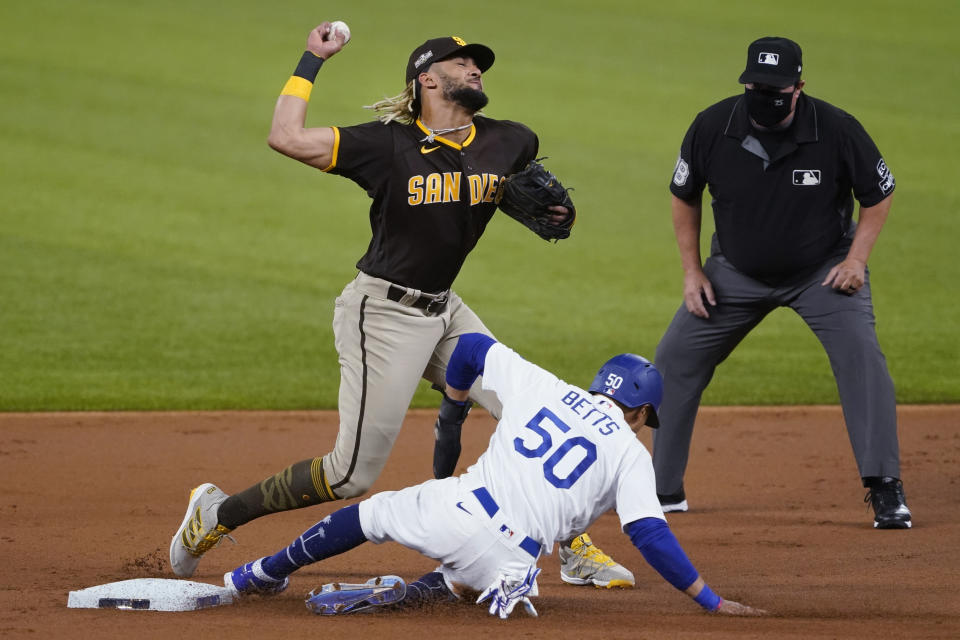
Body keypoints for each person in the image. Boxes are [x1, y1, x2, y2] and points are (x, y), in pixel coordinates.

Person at [169, 22, 631, 587]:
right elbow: (285, 137)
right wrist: (313, 59)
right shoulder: (386, 145)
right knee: (350, 476)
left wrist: (558, 216)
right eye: (460, 64)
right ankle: (216, 513)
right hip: (382, 314)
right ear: (427, 80)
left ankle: (574, 547)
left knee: (536, 416)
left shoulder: (510, 139)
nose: (474, 69)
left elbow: (506, 190)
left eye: (477, 63)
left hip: (447, 311)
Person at [219, 333, 765, 619]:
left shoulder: (545, 386)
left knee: (371, 514)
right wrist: (710, 601)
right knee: (461, 580)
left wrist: (453, 410)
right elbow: (648, 532)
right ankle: (408, 596)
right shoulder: (631, 453)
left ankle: (260, 574)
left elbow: (473, 348)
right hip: (512, 563)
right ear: (641, 413)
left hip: (457, 510)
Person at [654, 36, 911, 529]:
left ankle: (885, 487)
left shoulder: (837, 129)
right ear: (746, 82)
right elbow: (683, 196)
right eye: (757, 87)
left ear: (799, 88)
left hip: (823, 272)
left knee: (863, 359)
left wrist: (857, 260)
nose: (765, 98)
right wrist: (691, 271)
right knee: (674, 360)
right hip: (734, 272)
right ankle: (663, 490)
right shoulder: (713, 125)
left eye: (776, 90)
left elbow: (878, 194)